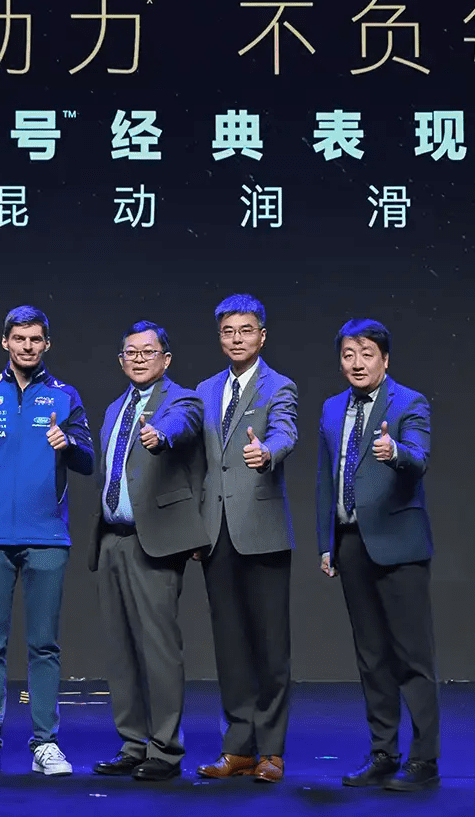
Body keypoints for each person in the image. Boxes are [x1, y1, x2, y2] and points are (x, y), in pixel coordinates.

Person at [0, 305, 94, 777]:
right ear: (5, 343)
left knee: (44, 645)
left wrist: (68, 444)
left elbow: (88, 461)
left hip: (47, 537)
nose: (27, 346)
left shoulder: (65, 397)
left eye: (35, 339)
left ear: (46, 344)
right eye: (19, 338)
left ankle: (45, 744)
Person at [315, 319, 440, 791]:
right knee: (371, 657)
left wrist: (395, 452)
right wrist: (327, 542)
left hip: (399, 545)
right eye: (349, 354)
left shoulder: (410, 402)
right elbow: (325, 478)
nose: (357, 363)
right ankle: (383, 753)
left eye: (366, 354)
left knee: (412, 656)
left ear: (385, 360)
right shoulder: (332, 408)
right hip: (351, 544)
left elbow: (419, 458)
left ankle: (424, 760)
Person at [88, 321, 208, 782]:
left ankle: (165, 749)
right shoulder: (115, 408)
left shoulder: (181, 401)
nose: (138, 359)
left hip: (153, 543)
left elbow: (182, 426)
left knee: (159, 649)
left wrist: (160, 434)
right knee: (120, 649)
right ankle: (132, 743)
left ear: (166, 359)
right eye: (131, 353)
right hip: (111, 539)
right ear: (121, 360)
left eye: (148, 351)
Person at [193, 294, 298, 785]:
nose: (237, 339)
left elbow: (285, 432)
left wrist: (268, 452)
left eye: (246, 330)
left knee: (271, 648)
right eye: (228, 331)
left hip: (262, 532)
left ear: (263, 335)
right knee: (230, 647)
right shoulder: (205, 389)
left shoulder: (279, 386)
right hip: (216, 534)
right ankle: (238, 748)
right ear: (220, 337)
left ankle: (271, 752)